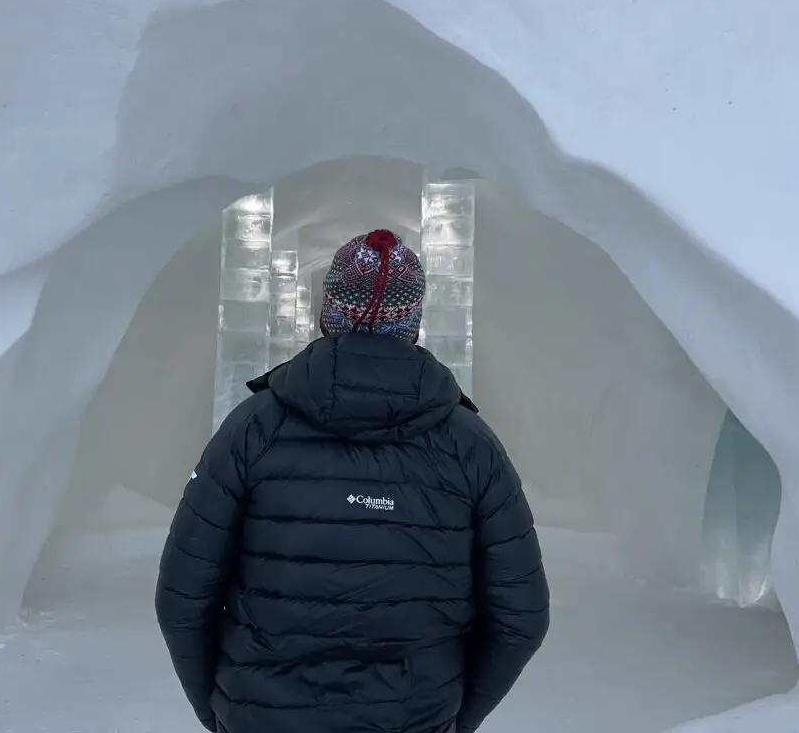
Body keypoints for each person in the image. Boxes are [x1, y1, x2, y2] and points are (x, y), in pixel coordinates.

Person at [155, 229, 549, 733]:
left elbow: (182, 598)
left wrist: (221, 709)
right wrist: (448, 716)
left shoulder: (253, 428)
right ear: (413, 322)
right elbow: (522, 618)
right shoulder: (471, 445)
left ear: (329, 313)